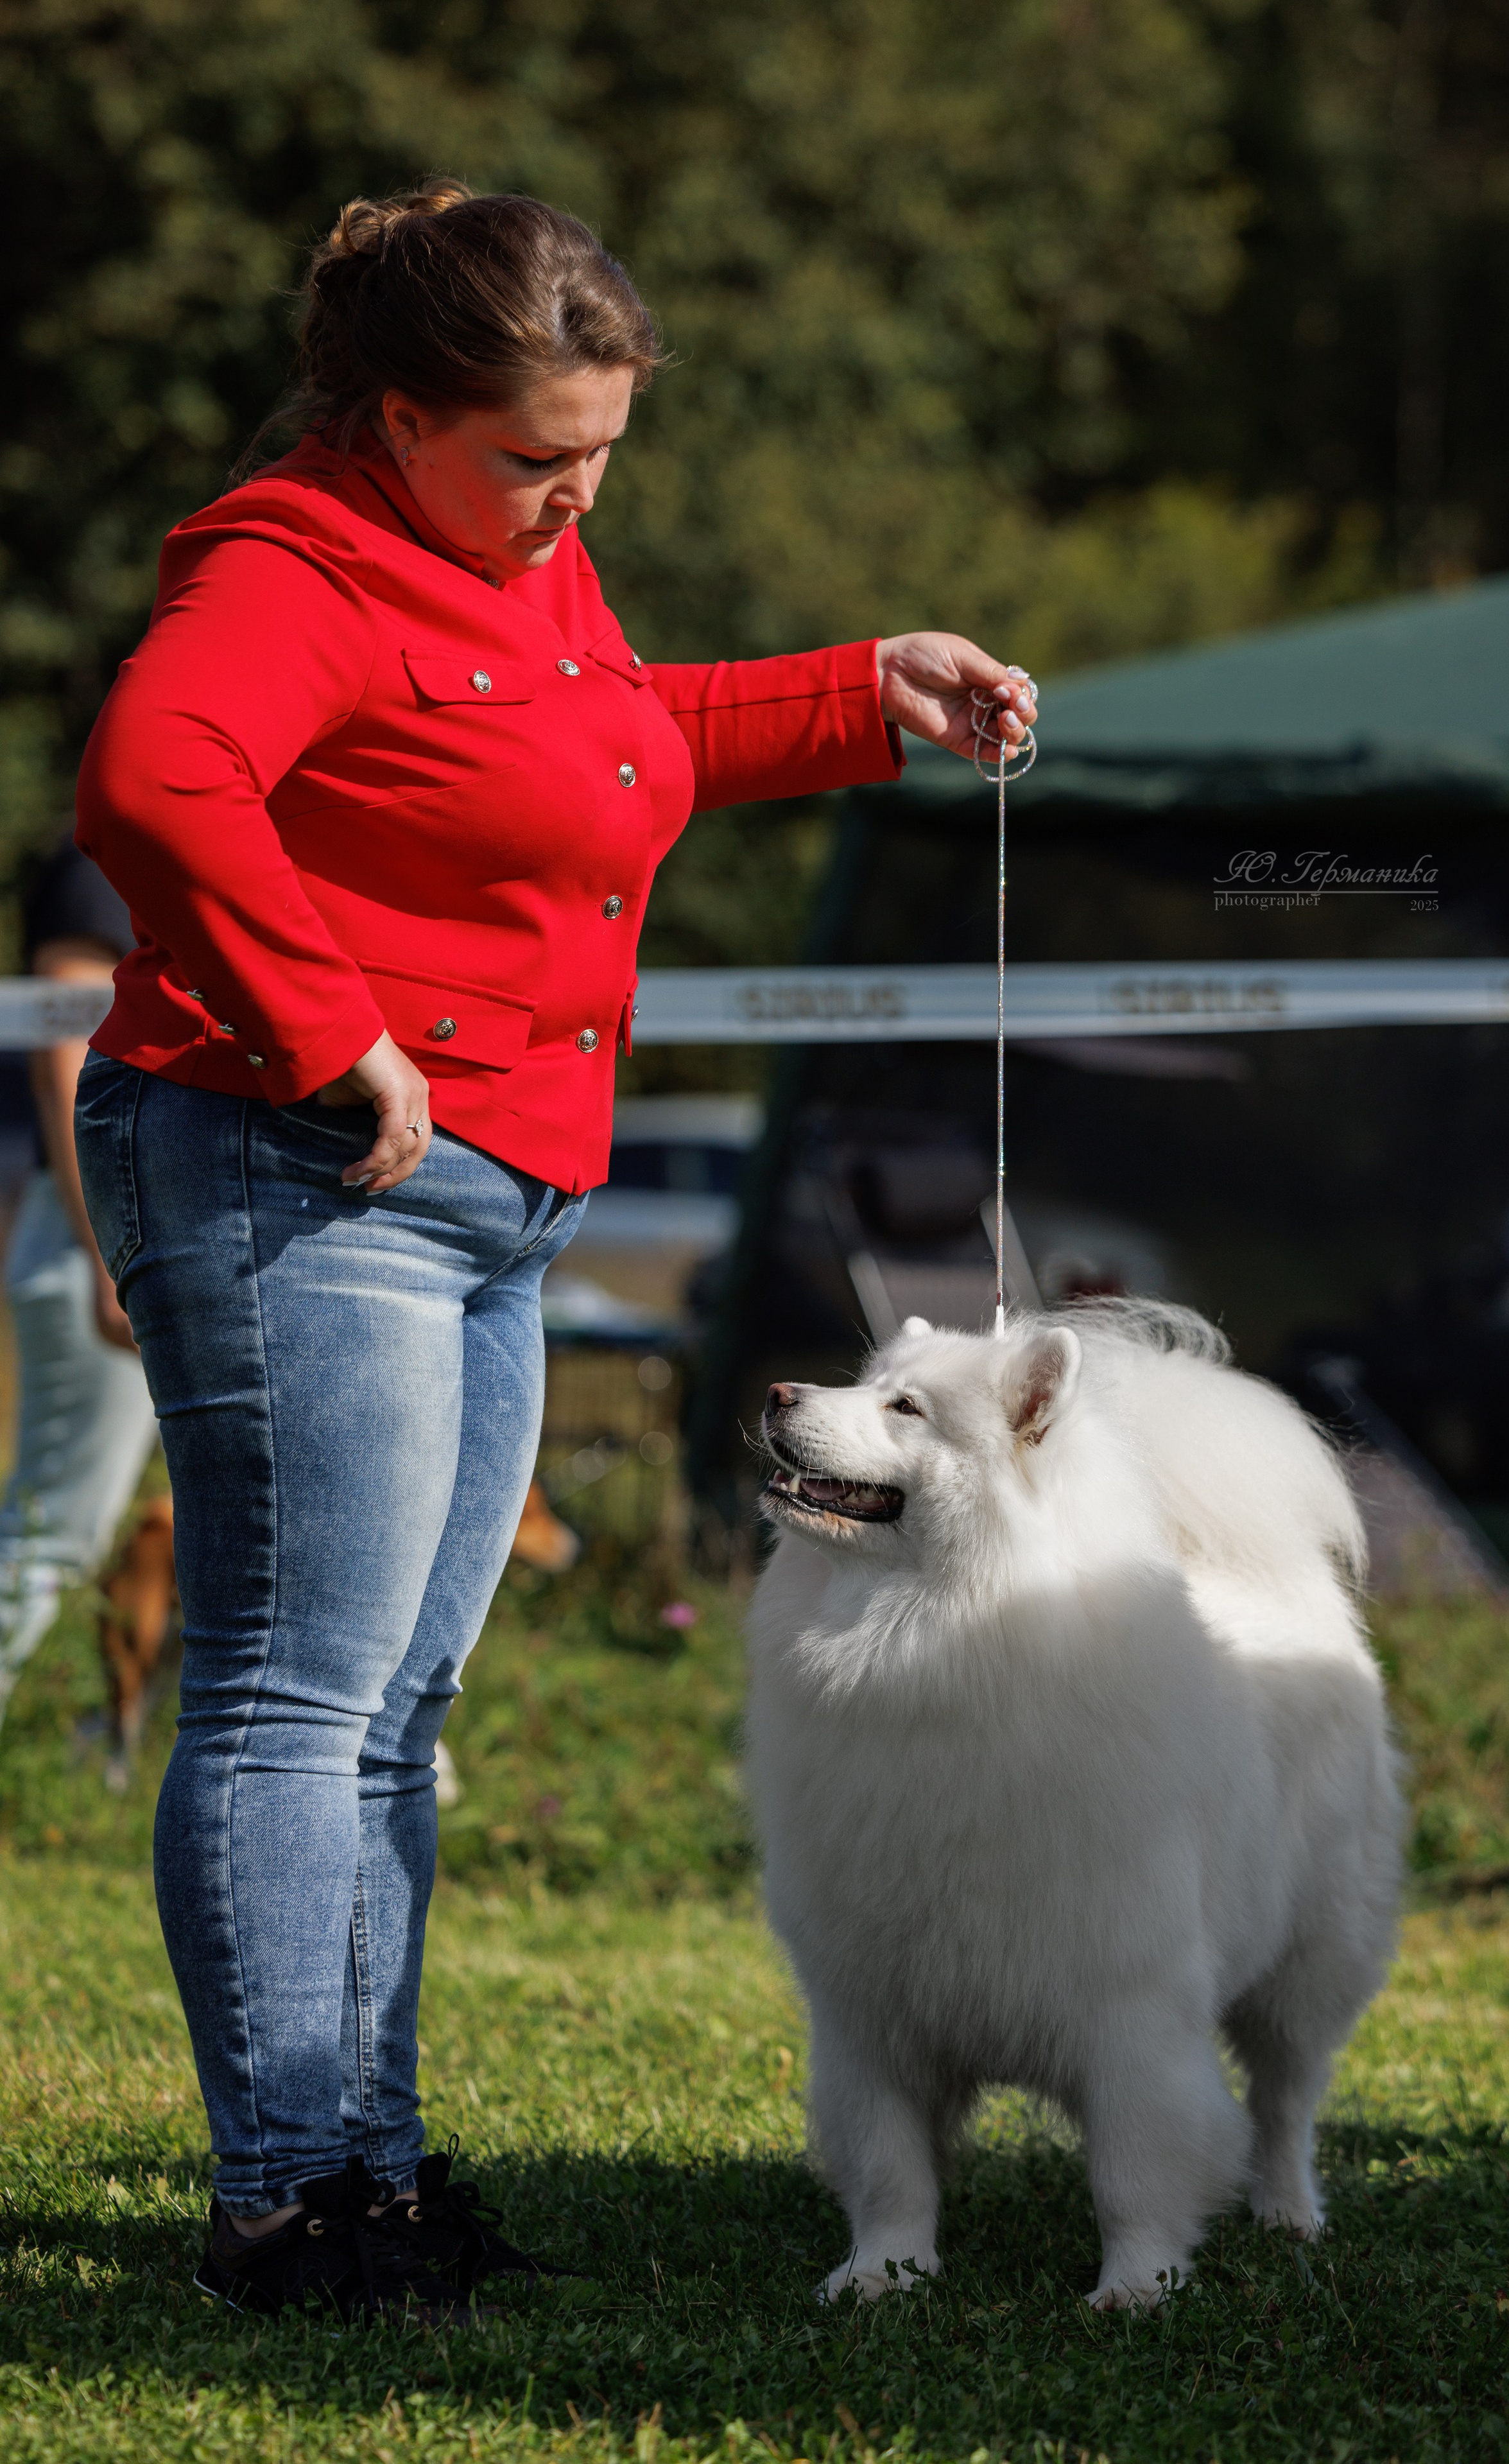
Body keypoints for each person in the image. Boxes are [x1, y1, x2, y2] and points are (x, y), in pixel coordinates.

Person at [73, 178, 1038, 2324]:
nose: (570, 497)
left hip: (496, 1199)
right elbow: (155, 772)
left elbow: (606, 743)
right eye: (532, 457)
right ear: (396, 412)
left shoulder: (511, 554)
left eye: (599, 456)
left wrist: (859, 686)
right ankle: (283, 2199)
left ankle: (374, 2168)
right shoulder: (294, 565)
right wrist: (327, 1023)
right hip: (303, 1171)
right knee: (294, 1685)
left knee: (400, 1700)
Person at [0, 837, 158, 1741]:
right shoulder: (107, 863)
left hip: (122, 1231)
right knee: (55, 1532)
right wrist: (109, 1249)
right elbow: (68, 1040)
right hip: (96, 1234)